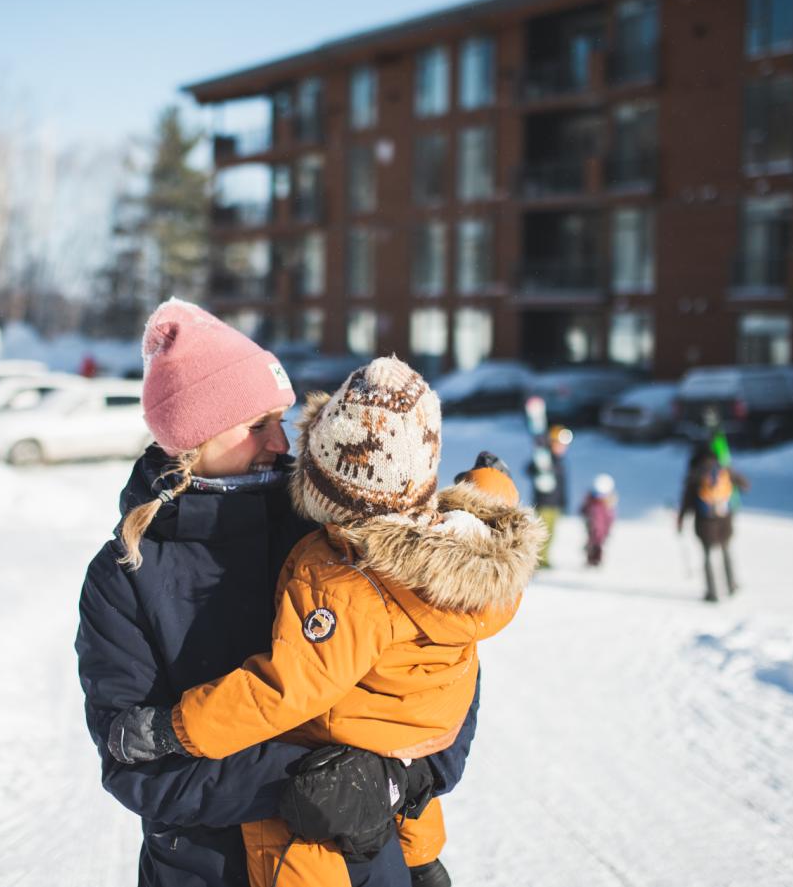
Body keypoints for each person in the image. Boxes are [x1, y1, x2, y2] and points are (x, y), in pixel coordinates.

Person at [76, 300, 481, 887]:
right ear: (195, 437)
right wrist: (307, 778)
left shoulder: (332, 530)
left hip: (359, 862)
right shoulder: (124, 576)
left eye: (282, 421)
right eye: (257, 425)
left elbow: (442, 662)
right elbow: (134, 763)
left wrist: (396, 779)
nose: (282, 443)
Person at [676, 445, 750, 602]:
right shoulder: (724, 470)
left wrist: (681, 520)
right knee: (726, 552)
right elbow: (745, 485)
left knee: (708, 556)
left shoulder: (695, 475)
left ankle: (712, 593)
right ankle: (731, 585)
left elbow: (686, 502)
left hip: (705, 524)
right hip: (725, 521)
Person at [527, 424, 571, 568]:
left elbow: (562, 486)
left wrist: (564, 503)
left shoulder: (560, 462)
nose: (563, 448)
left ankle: (544, 559)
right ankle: (537, 560)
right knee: (542, 533)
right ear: (552, 442)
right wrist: (540, 468)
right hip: (544, 503)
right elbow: (529, 469)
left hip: (555, 505)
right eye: (560, 444)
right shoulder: (544, 458)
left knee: (551, 533)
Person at [580, 473, 617, 567]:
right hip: (593, 527)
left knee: (598, 543)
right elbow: (584, 510)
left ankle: (595, 559)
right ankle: (591, 559)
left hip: (602, 529)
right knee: (593, 542)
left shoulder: (607, 505)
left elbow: (610, 518)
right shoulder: (592, 502)